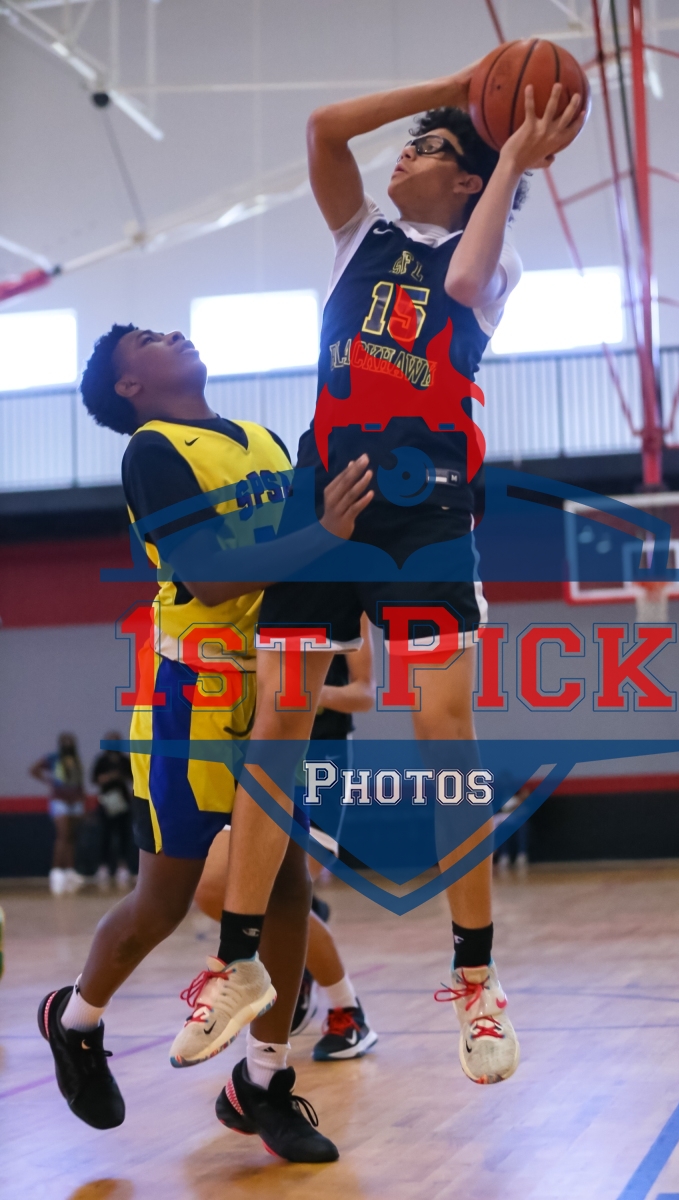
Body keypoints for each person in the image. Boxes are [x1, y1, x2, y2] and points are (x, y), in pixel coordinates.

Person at [171, 67, 585, 1085]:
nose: (402, 155)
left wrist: (507, 151)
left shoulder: (492, 260)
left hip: (422, 507)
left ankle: (477, 981)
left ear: (470, 179)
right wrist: (458, 88)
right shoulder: (359, 236)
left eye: (428, 147)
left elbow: (462, 286)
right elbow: (322, 126)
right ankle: (236, 963)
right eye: (408, 144)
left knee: (443, 728)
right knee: (280, 721)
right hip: (321, 498)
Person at [38, 321, 372, 1161]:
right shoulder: (153, 450)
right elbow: (212, 576)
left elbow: (302, 557)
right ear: (131, 386)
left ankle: (263, 1081)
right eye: (151, 339)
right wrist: (325, 534)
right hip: (192, 696)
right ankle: (76, 1020)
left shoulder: (262, 440)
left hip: (273, 689)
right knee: (164, 901)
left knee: (287, 890)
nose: (176, 334)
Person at [194, 613, 378, 1062]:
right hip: (265, 763)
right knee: (210, 888)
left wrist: (311, 692)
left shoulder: (346, 606)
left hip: (321, 767)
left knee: (279, 895)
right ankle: (297, 956)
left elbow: (365, 693)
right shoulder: (259, 600)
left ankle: (348, 1010)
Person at [31, 733, 86, 895]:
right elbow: (34, 769)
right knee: (62, 835)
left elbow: (79, 782)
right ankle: (56, 872)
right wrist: (48, 781)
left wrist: (83, 800)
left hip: (76, 801)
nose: (68, 744)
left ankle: (69, 871)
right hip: (60, 801)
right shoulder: (53, 758)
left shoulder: (76, 760)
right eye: (65, 741)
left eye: (70, 741)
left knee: (72, 837)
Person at [91, 733, 135, 888]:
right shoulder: (102, 761)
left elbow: (133, 778)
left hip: (123, 802)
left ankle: (123, 868)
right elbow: (95, 779)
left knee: (124, 835)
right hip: (107, 802)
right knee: (105, 835)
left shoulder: (124, 760)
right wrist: (109, 777)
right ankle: (103, 867)